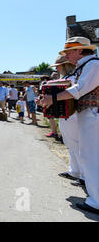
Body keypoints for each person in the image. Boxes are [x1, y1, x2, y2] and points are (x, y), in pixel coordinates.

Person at [38, 37, 98, 215]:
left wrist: (52, 98)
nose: (67, 56)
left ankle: (96, 201)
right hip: (89, 113)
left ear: (80, 50)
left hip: (93, 114)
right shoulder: (87, 65)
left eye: (69, 52)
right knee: (89, 155)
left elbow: (79, 89)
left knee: (91, 156)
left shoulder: (93, 65)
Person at [49, 55, 83, 183]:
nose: (56, 68)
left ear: (64, 66)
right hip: (68, 115)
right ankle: (75, 171)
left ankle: (83, 175)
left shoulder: (73, 78)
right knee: (71, 144)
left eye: (57, 66)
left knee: (75, 144)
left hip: (73, 115)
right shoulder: (70, 77)